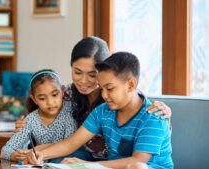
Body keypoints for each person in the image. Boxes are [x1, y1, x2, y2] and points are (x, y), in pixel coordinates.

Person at [14, 36, 172, 161]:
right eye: (77, 72)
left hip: (105, 162)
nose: (83, 81)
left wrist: (166, 114)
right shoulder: (70, 95)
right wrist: (28, 126)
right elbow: (67, 142)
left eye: (92, 74)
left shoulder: (124, 99)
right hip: (82, 155)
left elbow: (149, 124)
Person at [1, 69, 77, 162]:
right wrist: (14, 155)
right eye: (42, 98)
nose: (50, 102)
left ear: (62, 91)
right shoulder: (31, 120)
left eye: (54, 95)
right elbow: (6, 150)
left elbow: (69, 144)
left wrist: (38, 149)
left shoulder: (69, 110)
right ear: (34, 99)